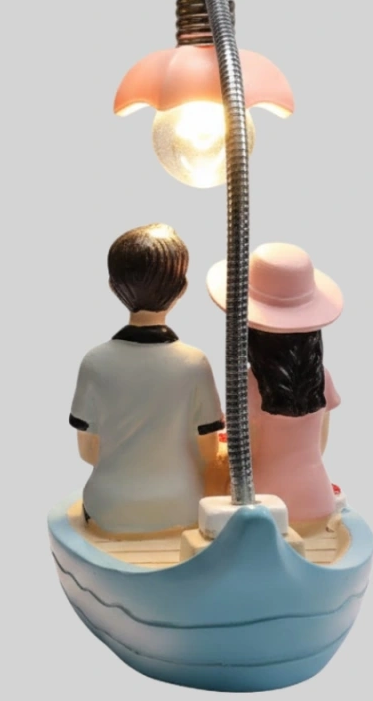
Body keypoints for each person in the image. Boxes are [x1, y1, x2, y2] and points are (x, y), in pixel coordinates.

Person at [70, 224, 224, 536]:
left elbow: (88, 453)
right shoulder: (195, 363)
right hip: (182, 505)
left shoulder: (94, 362)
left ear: (113, 286)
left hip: (108, 506)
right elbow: (209, 453)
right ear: (181, 288)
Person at [206, 243, 343, 531]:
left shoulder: (248, 385)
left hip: (263, 506)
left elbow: (243, 456)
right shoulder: (322, 378)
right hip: (318, 501)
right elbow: (320, 444)